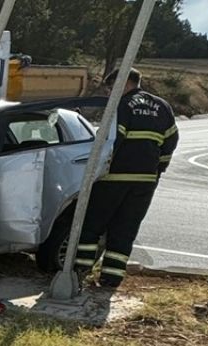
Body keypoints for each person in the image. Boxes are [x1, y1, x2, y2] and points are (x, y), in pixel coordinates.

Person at [75, 68, 178, 288]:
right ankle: (111, 279)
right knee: (125, 230)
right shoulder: (162, 106)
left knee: (92, 226)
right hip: (145, 182)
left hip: (113, 179)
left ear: (123, 83)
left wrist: (94, 170)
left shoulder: (121, 105)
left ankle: (79, 271)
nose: (110, 92)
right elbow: (171, 141)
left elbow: (113, 140)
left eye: (111, 87)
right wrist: (158, 169)